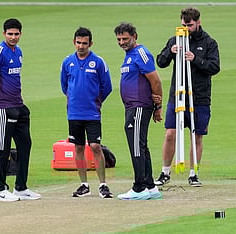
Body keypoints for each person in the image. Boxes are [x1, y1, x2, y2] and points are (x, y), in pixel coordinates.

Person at [155, 7, 220, 187]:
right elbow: (160, 62)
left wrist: (195, 59)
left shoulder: (209, 43)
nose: (186, 28)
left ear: (198, 22)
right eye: (184, 24)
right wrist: (171, 51)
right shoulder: (175, 39)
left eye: (190, 25)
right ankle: (165, 172)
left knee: (196, 135)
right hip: (177, 95)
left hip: (200, 96)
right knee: (170, 133)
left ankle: (194, 173)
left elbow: (214, 67)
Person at [0, 18, 41, 202]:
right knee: (3, 147)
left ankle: (20, 187)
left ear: (21, 34)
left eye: (16, 34)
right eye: (10, 34)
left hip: (18, 105)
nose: (13, 37)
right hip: (4, 108)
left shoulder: (19, 51)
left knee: (25, 145)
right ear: (4, 34)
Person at [60, 27, 113, 198]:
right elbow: (64, 85)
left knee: (96, 146)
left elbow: (107, 86)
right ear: (73, 42)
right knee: (78, 147)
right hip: (74, 113)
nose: (81, 46)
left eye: (84, 43)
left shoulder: (98, 61)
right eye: (78, 43)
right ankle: (84, 184)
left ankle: (103, 185)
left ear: (90, 43)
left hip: (92, 113)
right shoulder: (67, 62)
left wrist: (96, 102)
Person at [114, 22, 163, 200]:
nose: (121, 42)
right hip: (134, 107)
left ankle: (139, 187)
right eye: (119, 39)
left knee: (136, 146)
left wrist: (158, 105)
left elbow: (155, 81)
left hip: (139, 106)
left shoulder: (140, 53)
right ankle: (150, 186)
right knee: (141, 145)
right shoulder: (130, 55)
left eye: (125, 38)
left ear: (135, 36)